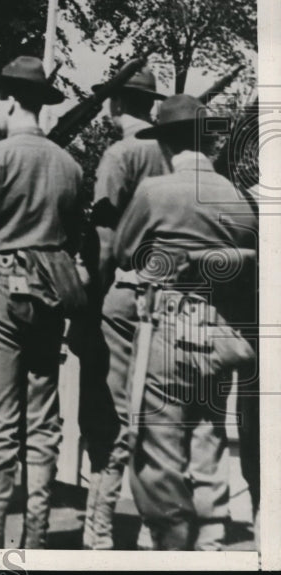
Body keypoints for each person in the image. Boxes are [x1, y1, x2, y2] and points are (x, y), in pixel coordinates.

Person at [0, 56, 86, 549]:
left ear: (6, 102)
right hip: (52, 289)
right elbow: (73, 235)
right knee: (43, 415)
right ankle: (37, 534)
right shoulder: (70, 164)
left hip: (3, 289)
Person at [113, 94, 257, 550]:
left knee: (159, 442)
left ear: (168, 144)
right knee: (208, 435)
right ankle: (212, 538)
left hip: (169, 325)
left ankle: (169, 542)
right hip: (219, 331)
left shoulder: (156, 191)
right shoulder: (236, 197)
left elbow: (123, 251)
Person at [76, 68, 169, 549]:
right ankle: (154, 529)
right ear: (149, 104)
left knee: (109, 412)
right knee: (155, 413)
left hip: (123, 293)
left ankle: (101, 529)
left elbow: (105, 239)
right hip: (168, 298)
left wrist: (87, 299)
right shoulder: (173, 155)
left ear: (116, 104)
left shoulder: (120, 155)